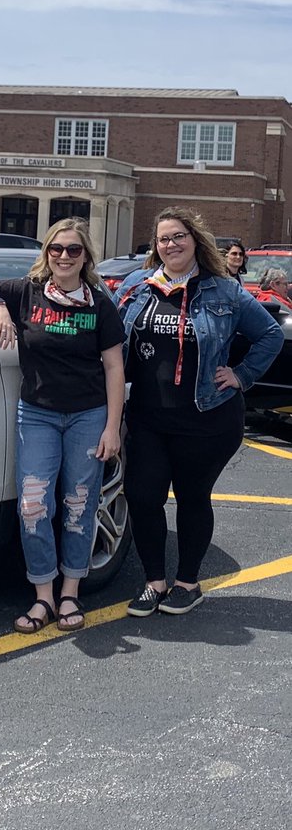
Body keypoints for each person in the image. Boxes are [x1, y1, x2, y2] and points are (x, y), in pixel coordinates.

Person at [0, 218, 125, 634]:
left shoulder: (99, 304)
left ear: (86, 257)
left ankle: (70, 592)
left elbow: (114, 367)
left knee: (79, 504)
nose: (64, 256)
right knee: (33, 506)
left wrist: (112, 428)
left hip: (88, 416)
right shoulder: (25, 292)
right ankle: (43, 596)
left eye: (73, 250)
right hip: (38, 414)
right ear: (46, 252)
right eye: (56, 249)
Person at [115, 208, 282, 616]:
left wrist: (241, 375)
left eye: (177, 237)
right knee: (141, 495)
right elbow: (111, 337)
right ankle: (154, 581)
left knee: (192, 497)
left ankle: (187, 582)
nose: (169, 245)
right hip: (147, 416)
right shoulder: (140, 285)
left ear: (195, 241)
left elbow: (270, 335)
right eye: (162, 239)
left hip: (207, 416)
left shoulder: (224, 290)